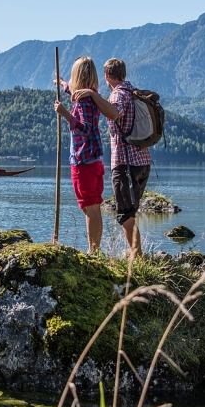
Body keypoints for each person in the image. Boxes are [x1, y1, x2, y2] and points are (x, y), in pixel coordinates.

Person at [76, 58, 150, 258]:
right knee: (130, 212)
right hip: (143, 162)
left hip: (126, 163)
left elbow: (114, 112)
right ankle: (136, 254)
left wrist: (91, 93)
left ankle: (137, 258)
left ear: (107, 76)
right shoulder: (133, 92)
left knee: (126, 215)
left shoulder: (118, 94)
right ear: (123, 74)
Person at [53, 56, 105, 254]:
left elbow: (85, 129)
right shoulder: (91, 96)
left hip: (84, 161)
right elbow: (73, 92)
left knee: (90, 207)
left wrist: (65, 113)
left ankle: (94, 252)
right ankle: (95, 249)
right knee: (92, 206)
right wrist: (62, 83)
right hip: (95, 160)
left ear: (79, 75)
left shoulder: (83, 102)